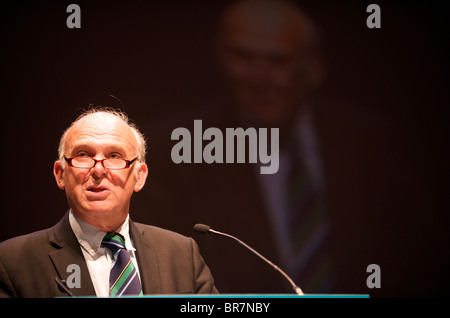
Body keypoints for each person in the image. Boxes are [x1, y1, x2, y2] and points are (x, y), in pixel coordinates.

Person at [0, 108, 218, 297]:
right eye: (83, 154)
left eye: (114, 156)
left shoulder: (181, 254)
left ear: (139, 177)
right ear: (60, 174)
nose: (98, 170)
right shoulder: (12, 262)